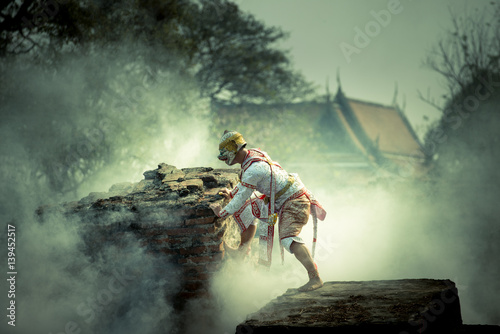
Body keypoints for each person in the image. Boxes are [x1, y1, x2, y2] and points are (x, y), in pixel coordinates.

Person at [209, 130, 326, 292]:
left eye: (225, 152)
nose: (223, 156)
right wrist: (232, 193)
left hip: (294, 201)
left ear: (234, 148)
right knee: (248, 208)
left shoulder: (253, 169)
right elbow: (243, 189)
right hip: (282, 198)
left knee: (288, 239)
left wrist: (220, 213)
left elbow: (241, 195)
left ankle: (315, 277)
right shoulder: (254, 154)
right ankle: (242, 251)